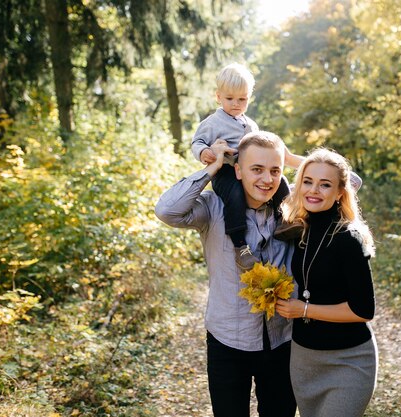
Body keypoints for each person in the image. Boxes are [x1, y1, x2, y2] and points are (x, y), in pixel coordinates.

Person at [156, 131, 303, 417]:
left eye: (274, 171)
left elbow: (348, 182)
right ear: (238, 170)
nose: (266, 179)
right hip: (227, 340)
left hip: (281, 340)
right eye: (256, 169)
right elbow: (166, 210)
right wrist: (212, 166)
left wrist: (292, 159)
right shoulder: (213, 208)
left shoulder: (292, 208)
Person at [275, 148, 378, 417]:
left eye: (325, 185)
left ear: (341, 192)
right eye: (307, 181)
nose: (314, 190)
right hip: (304, 359)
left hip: (349, 361)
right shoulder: (298, 229)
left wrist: (304, 310)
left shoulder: (348, 238)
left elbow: (363, 310)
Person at [191, 62, 301, 270]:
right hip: (225, 172)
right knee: (235, 196)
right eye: (230, 99)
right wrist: (204, 152)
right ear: (218, 97)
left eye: (242, 99)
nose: (236, 104)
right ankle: (240, 245)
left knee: (282, 183)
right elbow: (197, 143)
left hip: (248, 170)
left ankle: (284, 220)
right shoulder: (212, 123)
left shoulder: (250, 124)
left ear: (249, 98)